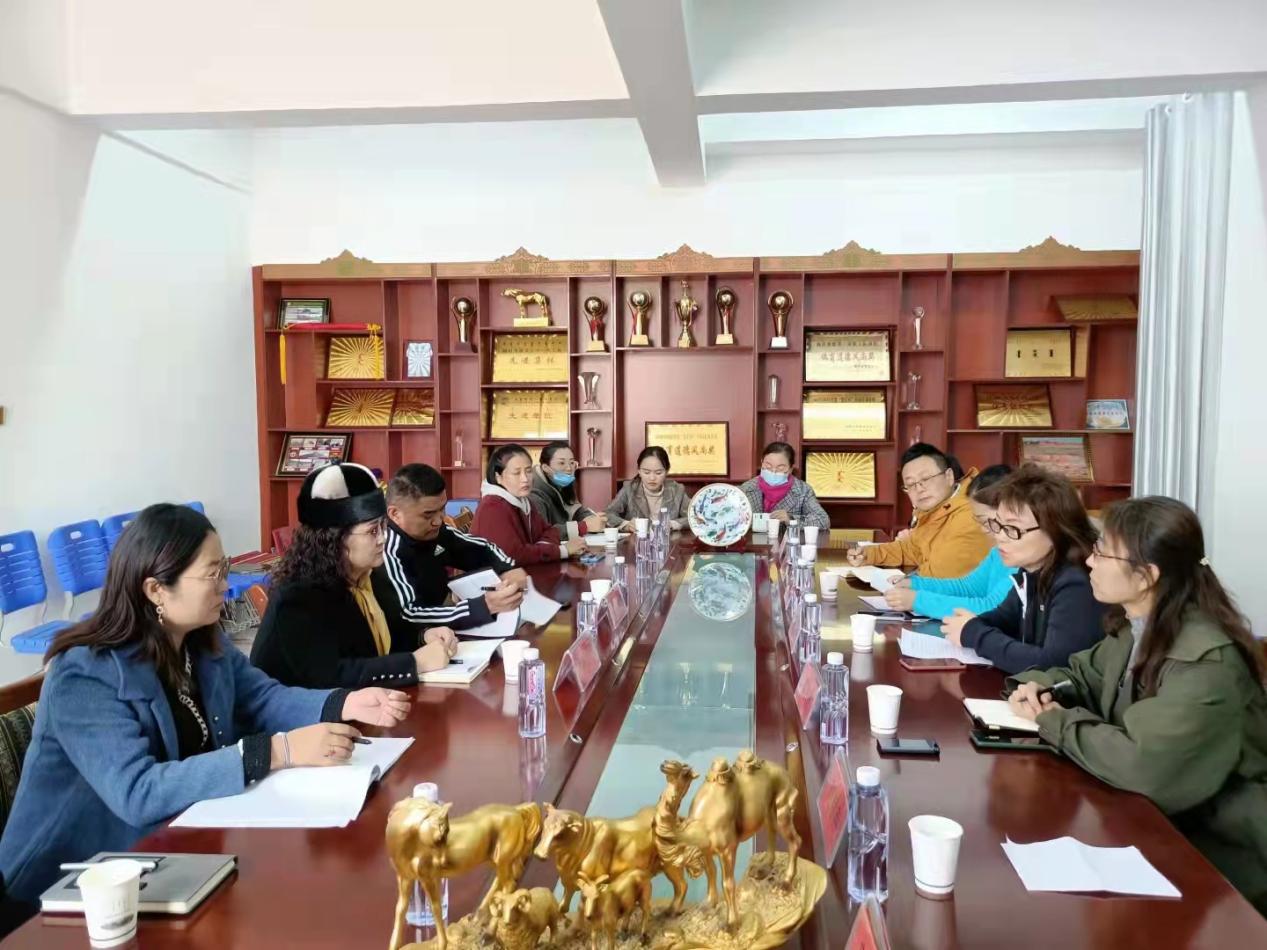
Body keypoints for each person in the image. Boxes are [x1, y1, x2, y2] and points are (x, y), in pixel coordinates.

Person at [0, 504, 410, 907]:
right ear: (156, 589)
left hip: (174, 849)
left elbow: (263, 698)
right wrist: (276, 751)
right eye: (212, 574)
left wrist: (345, 702)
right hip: (76, 884)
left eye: (224, 568)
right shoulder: (85, 673)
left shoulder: (201, 641)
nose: (225, 585)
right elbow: (138, 791)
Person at [1006, 497, 1267, 915]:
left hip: (1219, 860)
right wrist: (1036, 686)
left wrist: (1056, 720)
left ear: (1147, 575)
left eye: (1102, 552)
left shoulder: (1205, 660)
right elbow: (1082, 674)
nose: (1089, 562)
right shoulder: (1139, 629)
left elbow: (1144, 766)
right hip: (1153, 827)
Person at [252, 463, 458, 689]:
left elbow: (390, 631)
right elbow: (331, 674)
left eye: (383, 527)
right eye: (372, 531)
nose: (382, 539)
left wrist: (424, 636)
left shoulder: (365, 575)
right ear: (335, 539)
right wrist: (414, 663)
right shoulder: (298, 596)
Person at [941, 464, 1105, 674]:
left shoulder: (1076, 583)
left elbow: (1052, 665)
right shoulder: (1032, 569)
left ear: (1054, 530)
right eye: (998, 525)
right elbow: (1004, 618)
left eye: (1012, 529)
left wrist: (976, 634)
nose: (999, 537)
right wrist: (971, 625)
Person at [379, 463, 528, 631]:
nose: (438, 521)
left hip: (444, 623)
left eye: (442, 509)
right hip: (409, 638)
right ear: (395, 514)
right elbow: (409, 614)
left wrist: (507, 568)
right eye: (428, 515)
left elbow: (480, 547)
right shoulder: (385, 549)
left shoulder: (436, 530)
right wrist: (484, 606)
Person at [884, 464, 1016, 616]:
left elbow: (991, 608)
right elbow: (968, 588)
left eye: (986, 522)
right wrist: (914, 584)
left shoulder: (1022, 558)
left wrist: (917, 601)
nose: (983, 529)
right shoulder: (998, 551)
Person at [847, 442, 990, 578]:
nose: (919, 489)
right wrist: (868, 555)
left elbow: (946, 572)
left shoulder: (973, 513)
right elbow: (912, 550)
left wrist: (905, 581)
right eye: (910, 484)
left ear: (949, 476)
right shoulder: (934, 511)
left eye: (926, 478)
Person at [472, 444, 587, 564]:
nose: (525, 479)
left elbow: (549, 531)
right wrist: (562, 550)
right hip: (497, 575)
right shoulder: (493, 507)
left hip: (527, 570)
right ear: (498, 477)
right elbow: (514, 556)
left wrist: (540, 549)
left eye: (528, 471)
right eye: (517, 473)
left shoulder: (524, 501)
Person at [738, 441, 829, 529]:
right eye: (768, 466)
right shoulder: (746, 489)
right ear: (762, 462)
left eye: (780, 468)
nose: (773, 471)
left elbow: (823, 520)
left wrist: (791, 519)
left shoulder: (803, 491)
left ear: (790, 469)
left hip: (786, 539)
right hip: (754, 540)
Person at [529, 441, 608, 540]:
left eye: (572, 463)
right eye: (561, 463)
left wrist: (593, 519)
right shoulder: (533, 492)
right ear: (546, 467)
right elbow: (543, 532)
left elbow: (577, 511)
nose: (569, 468)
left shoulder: (564, 484)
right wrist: (583, 526)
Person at [604, 446, 691, 530]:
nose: (652, 478)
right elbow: (608, 513)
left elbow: (693, 517)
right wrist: (626, 525)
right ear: (639, 471)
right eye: (646, 472)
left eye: (658, 473)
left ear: (666, 471)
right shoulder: (629, 489)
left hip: (668, 539)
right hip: (636, 539)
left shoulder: (677, 490)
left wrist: (673, 524)